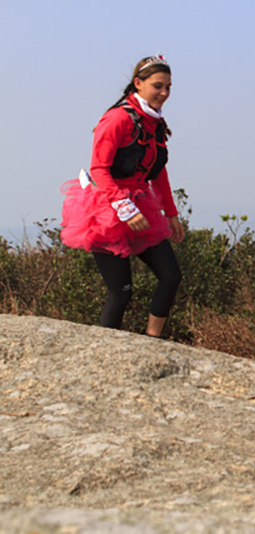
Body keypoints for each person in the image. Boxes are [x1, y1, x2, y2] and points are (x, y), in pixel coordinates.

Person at [60, 54, 184, 337]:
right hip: (105, 209)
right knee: (121, 290)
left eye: (168, 87)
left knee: (171, 276)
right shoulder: (117, 119)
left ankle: (153, 340)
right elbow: (99, 169)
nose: (164, 93)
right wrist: (124, 208)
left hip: (142, 205)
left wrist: (171, 213)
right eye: (158, 86)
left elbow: (158, 172)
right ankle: (107, 353)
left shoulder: (155, 124)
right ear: (138, 84)